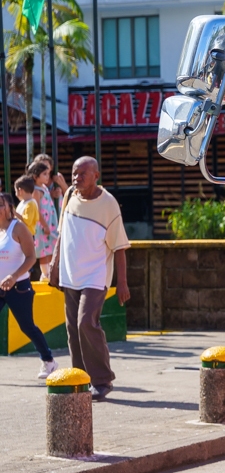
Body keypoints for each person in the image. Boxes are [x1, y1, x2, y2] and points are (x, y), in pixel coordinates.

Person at [46, 157, 130, 402]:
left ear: (96, 176)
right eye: (74, 173)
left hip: (95, 277)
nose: (76, 178)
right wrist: (54, 263)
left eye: (82, 173)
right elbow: (62, 233)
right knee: (73, 329)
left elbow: (120, 247)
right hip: (70, 274)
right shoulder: (70, 194)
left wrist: (122, 283)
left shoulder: (109, 204)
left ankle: (102, 380)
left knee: (86, 323)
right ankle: (80, 378)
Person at [0, 193, 56, 378]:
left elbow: (32, 257)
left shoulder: (18, 228)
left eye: (1, 205)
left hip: (19, 286)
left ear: (9, 208)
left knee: (27, 326)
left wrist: (15, 276)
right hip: (0, 286)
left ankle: (49, 361)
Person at [25, 157, 58, 281]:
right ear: (35, 176)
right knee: (44, 249)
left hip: (49, 223)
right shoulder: (36, 191)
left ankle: (49, 273)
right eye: (44, 174)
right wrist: (44, 225)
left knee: (50, 248)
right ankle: (45, 274)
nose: (47, 177)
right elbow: (37, 210)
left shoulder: (44, 188)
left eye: (48, 174)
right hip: (43, 225)